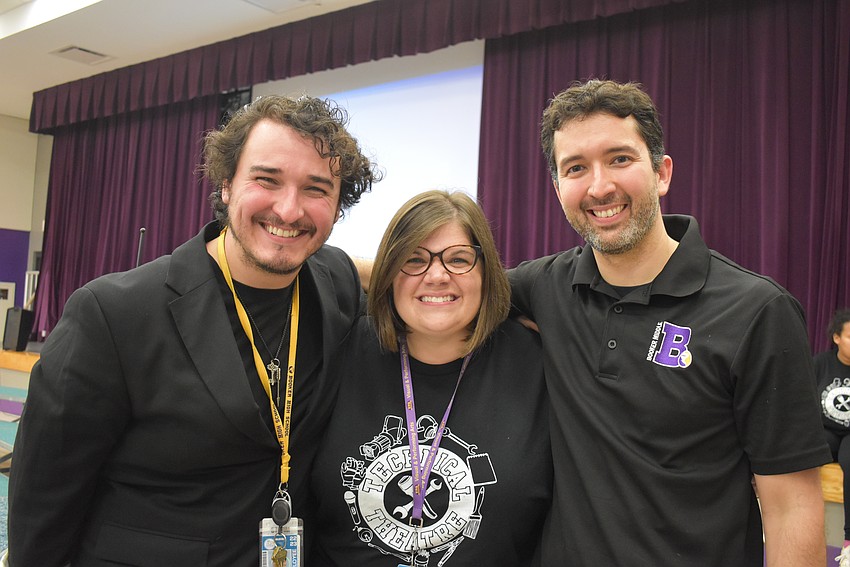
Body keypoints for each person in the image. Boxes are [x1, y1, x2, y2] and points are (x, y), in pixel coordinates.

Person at [7, 94, 380, 566]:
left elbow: (435, 278)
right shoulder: (113, 313)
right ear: (226, 184)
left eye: (316, 189)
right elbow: (43, 497)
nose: (289, 211)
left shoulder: (336, 284)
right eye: (267, 180)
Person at [507, 79, 832, 566]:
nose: (599, 186)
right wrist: (350, 266)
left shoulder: (757, 311)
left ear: (662, 173)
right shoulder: (546, 286)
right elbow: (435, 282)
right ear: (557, 189)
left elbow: (791, 508)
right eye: (576, 168)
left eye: (619, 159)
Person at [310, 190, 552, 566]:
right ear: (387, 273)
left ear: (486, 271)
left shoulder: (537, 362)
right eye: (414, 260)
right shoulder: (340, 347)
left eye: (458, 259)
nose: (437, 276)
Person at [815, 309, 850, 566]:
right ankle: (806, 529)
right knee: (804, 457)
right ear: (836, 338)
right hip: (825, 431)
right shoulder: (819, 364)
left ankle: (848, 542)